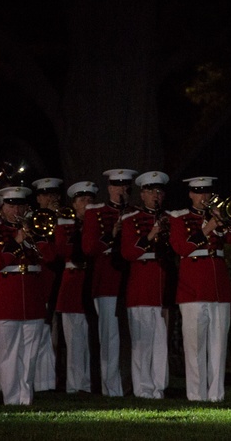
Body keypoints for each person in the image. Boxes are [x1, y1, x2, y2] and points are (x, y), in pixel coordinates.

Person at [169, 176, 231, 402]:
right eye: (199, 192)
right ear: (191, 194)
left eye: (207, 192)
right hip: (193, 289)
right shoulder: (179, 217)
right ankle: (196, 395)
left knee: (218, 346)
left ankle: (216, 395)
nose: (204, 197)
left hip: (219, 289)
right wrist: (208, 228)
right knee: (195, 346)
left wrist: (224, 220)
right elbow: (181, 247)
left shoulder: (219, 216)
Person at [0, 185, 58, 405]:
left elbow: (50, 257)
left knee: (30, 355)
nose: (16, 209)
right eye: (11, 205)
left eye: (20, 205)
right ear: (2, 208)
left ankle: (26, 399)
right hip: (7, 299)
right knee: (8, 355)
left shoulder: (36, 228)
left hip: (32, 299)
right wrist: (16, 243)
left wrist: (36, 236)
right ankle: (11, 398)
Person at [81, 167, 137, 397]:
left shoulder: (135, 213)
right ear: (109, 188)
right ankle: (111, 389)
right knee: (110, 337)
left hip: (132, 281)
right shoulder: (96, 213)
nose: (121, 190)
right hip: (108, 281)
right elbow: (89, 248)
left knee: (135, 336)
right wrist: (111, 234)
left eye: (125, 186)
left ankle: (135, 385)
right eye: (117, 186)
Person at [119, 170, 175, 399]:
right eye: (151, 191)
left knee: (161, 342)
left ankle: (158, 388)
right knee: (141, 344)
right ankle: (142, 389)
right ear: (142, 194)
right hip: (141, 288)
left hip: (162, 288)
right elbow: (127, 252)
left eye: (159, 191)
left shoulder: (170, 219)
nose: (156, 195)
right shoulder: (131, 220)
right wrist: (151, 235)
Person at [55, 180, 99, 394]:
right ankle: (75, 385)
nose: (87, 204)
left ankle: (89, 383)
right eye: (82, 200)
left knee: (91, 338)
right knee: (74, 340)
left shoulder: (97, 223)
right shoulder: (65, 225)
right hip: (72, 283)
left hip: (91, 281)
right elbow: (62, 250)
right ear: (74, 204)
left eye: (90, 200)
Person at [30, 176, 65, 393]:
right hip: (40, 279)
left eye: (53, 195)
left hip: (58, 276)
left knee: (52, 330)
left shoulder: (64, 218)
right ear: (38, 198)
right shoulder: (32, 221)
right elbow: (45, 253)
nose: (49, 198)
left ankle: (49, 380)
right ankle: (39, 381)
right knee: (39, 330)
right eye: (45, 195)